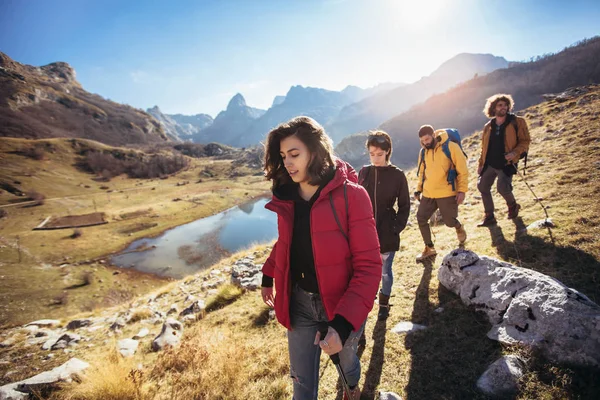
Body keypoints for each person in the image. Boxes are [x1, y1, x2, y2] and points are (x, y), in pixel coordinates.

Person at [260, 116, 381, 400]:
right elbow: (287, 243)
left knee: (346, 362)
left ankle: (351, 388)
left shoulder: (353, 196)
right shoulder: (287, 196)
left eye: (294, 154)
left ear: (315, 151)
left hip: (342, 302)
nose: (287, 163)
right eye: (282, 156)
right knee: (301, 384)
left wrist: (341, 325)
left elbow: (369, 267)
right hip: (300, 302)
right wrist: (268, 274)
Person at [358, 130, 410, 321]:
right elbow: (355, 201)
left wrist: (395, 228)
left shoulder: (398, 175)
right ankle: (365, 304)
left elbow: (405, 206)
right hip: (364, 234)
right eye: (372, 154)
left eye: (379, 154)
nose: (375, 158)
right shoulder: (364, 172)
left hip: (387, 232)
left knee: (385, 273)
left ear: (388, 152)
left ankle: (384, 304)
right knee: (364, 272)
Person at [414, 125, 468, 262]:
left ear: (433, 135)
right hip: (429, 193)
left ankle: (458, 227)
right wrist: (419, 189)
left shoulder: (450, 147)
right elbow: (422, 172)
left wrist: (462, 190)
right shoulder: (423, 152)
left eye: (427, 139)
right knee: (421, 218)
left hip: (447, 192)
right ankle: (429, 248)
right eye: (422, 141)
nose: (425, 142)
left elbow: (462, 170)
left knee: (449, 222)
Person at [477, 94, 531, 226]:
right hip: (490, 162)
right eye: (500, 105)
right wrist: (481, 164)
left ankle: (513, 206)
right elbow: (484, 148)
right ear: (493, 108)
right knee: (483, 187)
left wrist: (514, 153)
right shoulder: (488, 126)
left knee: (502, 188)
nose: (503, 107)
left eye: (505, 105)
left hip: (506, 163)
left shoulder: (517, 122)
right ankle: (489, 216)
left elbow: (525, 141)